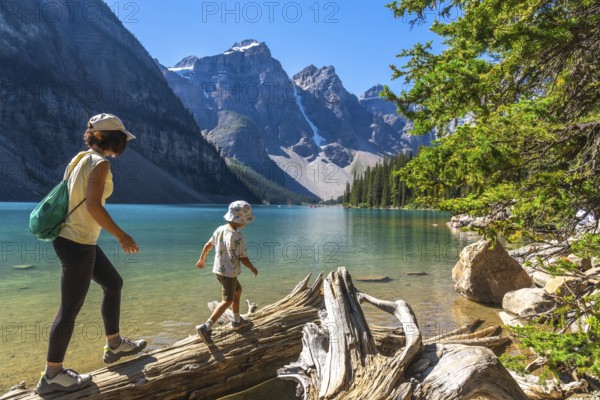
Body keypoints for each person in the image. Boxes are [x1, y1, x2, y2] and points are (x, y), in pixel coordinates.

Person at [36, 113, 147, 395]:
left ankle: (115, 344)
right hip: (77, 244)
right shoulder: (100, 164)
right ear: (114, 138)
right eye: (123, 139)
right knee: (69, 310)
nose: (124, 145)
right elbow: (94, 208)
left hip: (75, 239)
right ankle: (52, 375)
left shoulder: (79, 159)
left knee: (113, 283)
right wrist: (123, 236)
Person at [195, 201, 259, 344]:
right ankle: (206, 327)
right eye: (246, 220)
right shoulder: (238, 237)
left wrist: (201, 259)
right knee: (227, 299)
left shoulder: (220, 229)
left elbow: (208, 244)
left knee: (238, 291)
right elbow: (243, 257)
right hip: (230, 273)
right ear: (240, 221)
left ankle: (236, 320)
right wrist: (252, 268)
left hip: (219, 270)